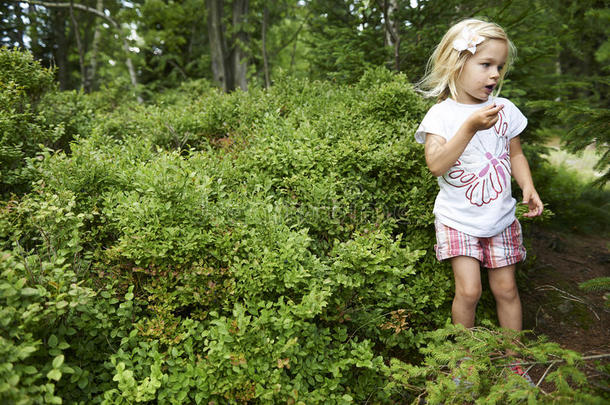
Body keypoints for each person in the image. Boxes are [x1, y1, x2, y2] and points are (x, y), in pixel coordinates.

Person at [414, 18, 543, 380]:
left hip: (500, 217)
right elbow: (437, 165)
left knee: (506, 289)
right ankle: (464, 364)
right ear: (458, 64)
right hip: (458, 219)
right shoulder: (441, 115)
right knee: (468, 292)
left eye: (499, 67)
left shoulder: (504, 109)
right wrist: (469, 126)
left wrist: (527, 187)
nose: (494, 75)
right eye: (485, 65)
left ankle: (513, 363)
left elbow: (515, 153)